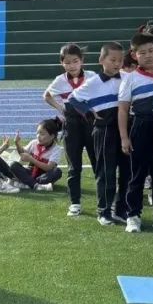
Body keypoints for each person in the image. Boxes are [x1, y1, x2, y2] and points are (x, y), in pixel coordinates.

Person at [118, 32, 153, 234]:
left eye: (151, 51)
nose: (148, 55)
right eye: (142, 53)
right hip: (141, 127)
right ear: (134, 55)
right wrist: (124, 137)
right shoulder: (130, 79)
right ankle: (133, 215)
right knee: (137, 174)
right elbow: (123, 109)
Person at [65, 42, 126, 222]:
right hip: (104, 130)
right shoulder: (93, 83)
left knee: (126, 172)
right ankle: (104, 211)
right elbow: (72, 98)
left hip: (125, 130)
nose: (117, 63)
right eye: (113, 59)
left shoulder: (127, 78)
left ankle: (120, 210)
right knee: (106, 172)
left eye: (120, 60)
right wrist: (89, 113)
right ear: (101, 59)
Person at [44, 43, 100, 209]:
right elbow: (47, 96)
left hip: (91, 124)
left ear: (82, 60)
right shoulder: (60, 80)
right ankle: (75, 203)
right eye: (67, 62)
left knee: (98, 163)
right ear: (62, 63)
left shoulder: (91, 76)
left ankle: (104, 201)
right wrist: (61, 108)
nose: (72, 65)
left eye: (75, 61)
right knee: (74, 166)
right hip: (71, 126)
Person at [9, 118, 65, 191]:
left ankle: (28, 183)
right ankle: (36, 185)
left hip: (43, 175)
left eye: (42, 134)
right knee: (13, 165)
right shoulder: (34, 143)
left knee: (57, 172)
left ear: (52, 136)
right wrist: (17, 143)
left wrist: (31, 159)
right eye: (37, 133)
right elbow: (23, 154)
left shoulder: (56, 149)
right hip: (30, 172)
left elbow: (48, 168)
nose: (38, 136)